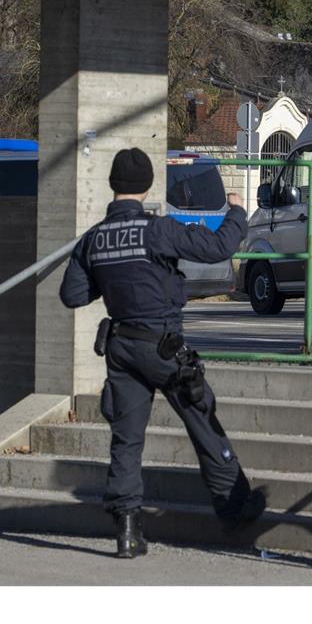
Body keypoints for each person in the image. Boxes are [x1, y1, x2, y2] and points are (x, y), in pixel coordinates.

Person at [60, 148, 266, 558]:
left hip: (121, 346)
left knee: (126, 436)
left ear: (113, 185)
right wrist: (237, 210)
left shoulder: (95, 238)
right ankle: (234, 506)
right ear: (149, 186)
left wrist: (114, 281)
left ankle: (128, 531)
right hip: (165, 345)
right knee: (201, 417)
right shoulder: (158, 230)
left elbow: (72, 294)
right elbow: (220, 246)